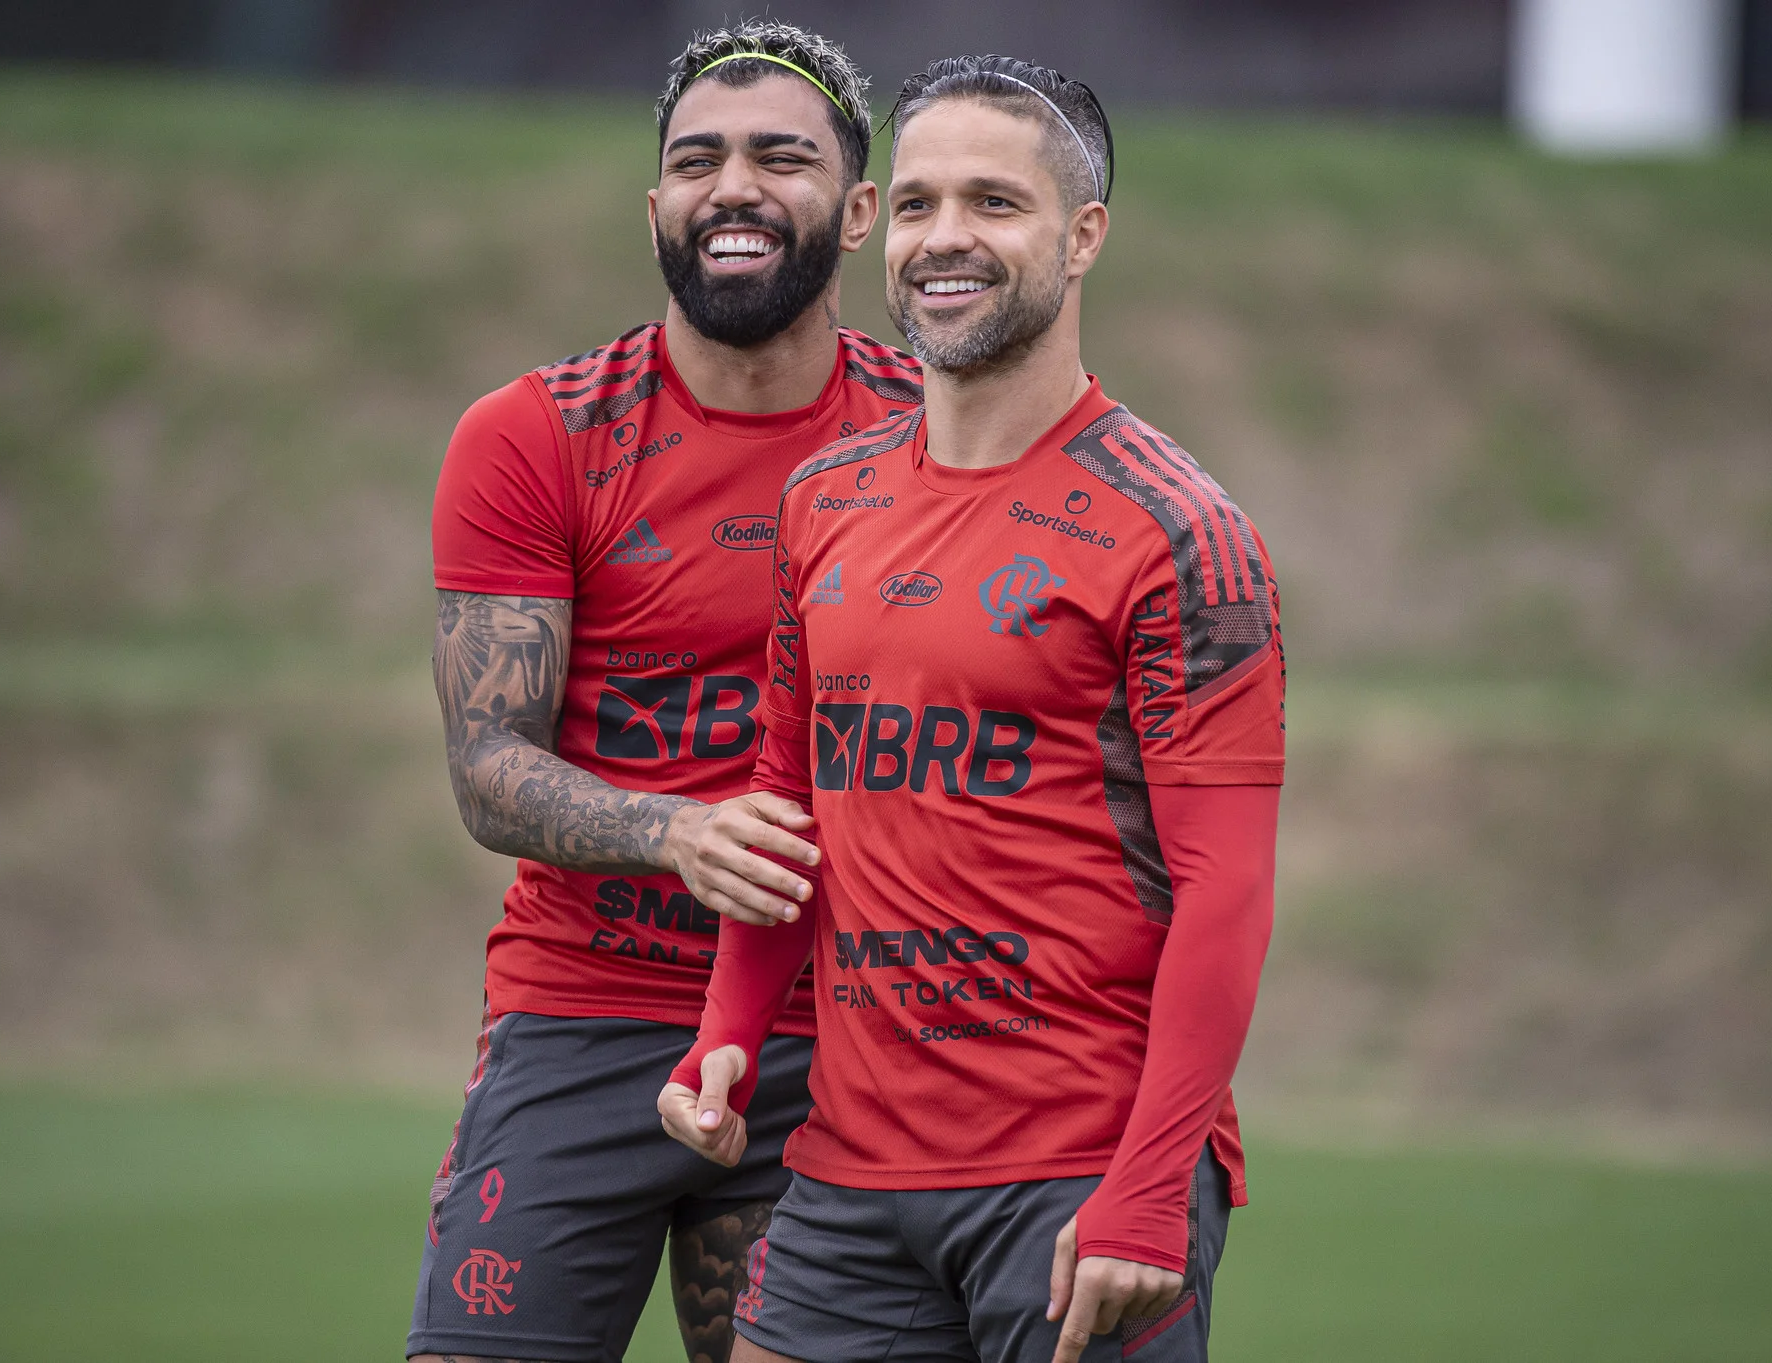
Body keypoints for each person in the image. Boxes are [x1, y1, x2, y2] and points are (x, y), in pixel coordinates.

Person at [659, 54, 1285, 1363]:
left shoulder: (1179, 530)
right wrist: (724, 1032)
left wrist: (1152, 1179)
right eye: (927, 200)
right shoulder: (822, 502)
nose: (950, 238)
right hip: (846, 1177)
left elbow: (1224, 891)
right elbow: (787, 802)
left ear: (1084, 235)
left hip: (1076, 1181)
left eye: (996, 203)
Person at [410, 21, 920, 1363]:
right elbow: (488, 767)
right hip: (581, 1013)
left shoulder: (937, 442)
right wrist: (678, 832)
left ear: (861, 211)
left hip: (842, 1031)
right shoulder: (535, 434)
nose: (734, 187)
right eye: (697, 160)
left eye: (780, 157)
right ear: (655, 211)